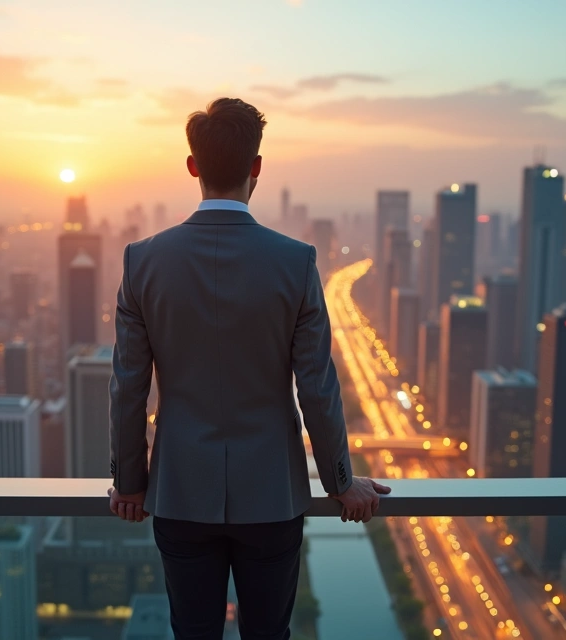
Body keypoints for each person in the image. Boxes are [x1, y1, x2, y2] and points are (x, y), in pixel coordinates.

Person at [107, 97, 390, 639]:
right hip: (272, 497)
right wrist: (341, 482)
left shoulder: (142, 261)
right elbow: (317, 389)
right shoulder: (296, 262)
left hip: (180, 492)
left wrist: (129, 483)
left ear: (192, 166)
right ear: (256, 166)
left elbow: (127, 389)